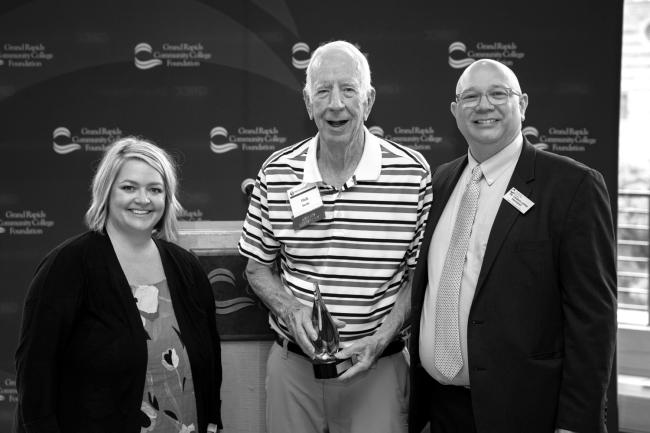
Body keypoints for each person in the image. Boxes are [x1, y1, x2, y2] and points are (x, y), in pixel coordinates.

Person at [408, 58, 617, 433]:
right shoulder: (441, 182)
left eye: (497, 94)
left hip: (527, 412)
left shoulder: (572, 187)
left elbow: (593, 322)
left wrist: (576, 424)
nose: (484, 105)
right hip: (442, 410)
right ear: (455, 112)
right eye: (470, 96)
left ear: (521, 104)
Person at [238, 40, 432, 433]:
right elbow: (257, 269)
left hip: (379, 369)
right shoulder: (277, 172)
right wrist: (291, 311)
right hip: (294, 371)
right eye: (323, 91)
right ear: (308, 103)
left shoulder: (411, 174)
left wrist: (380, 339)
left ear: (369, 99)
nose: (335, 104)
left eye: (348, 89)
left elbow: (420, 278)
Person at [14, 137, 223, 433]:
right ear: (106, 193)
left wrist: (213, 421)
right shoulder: (67, 265)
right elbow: (35, 368)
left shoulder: (186, 267)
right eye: (129, 188)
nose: (143, 199)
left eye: (155, 189)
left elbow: (210, 358)